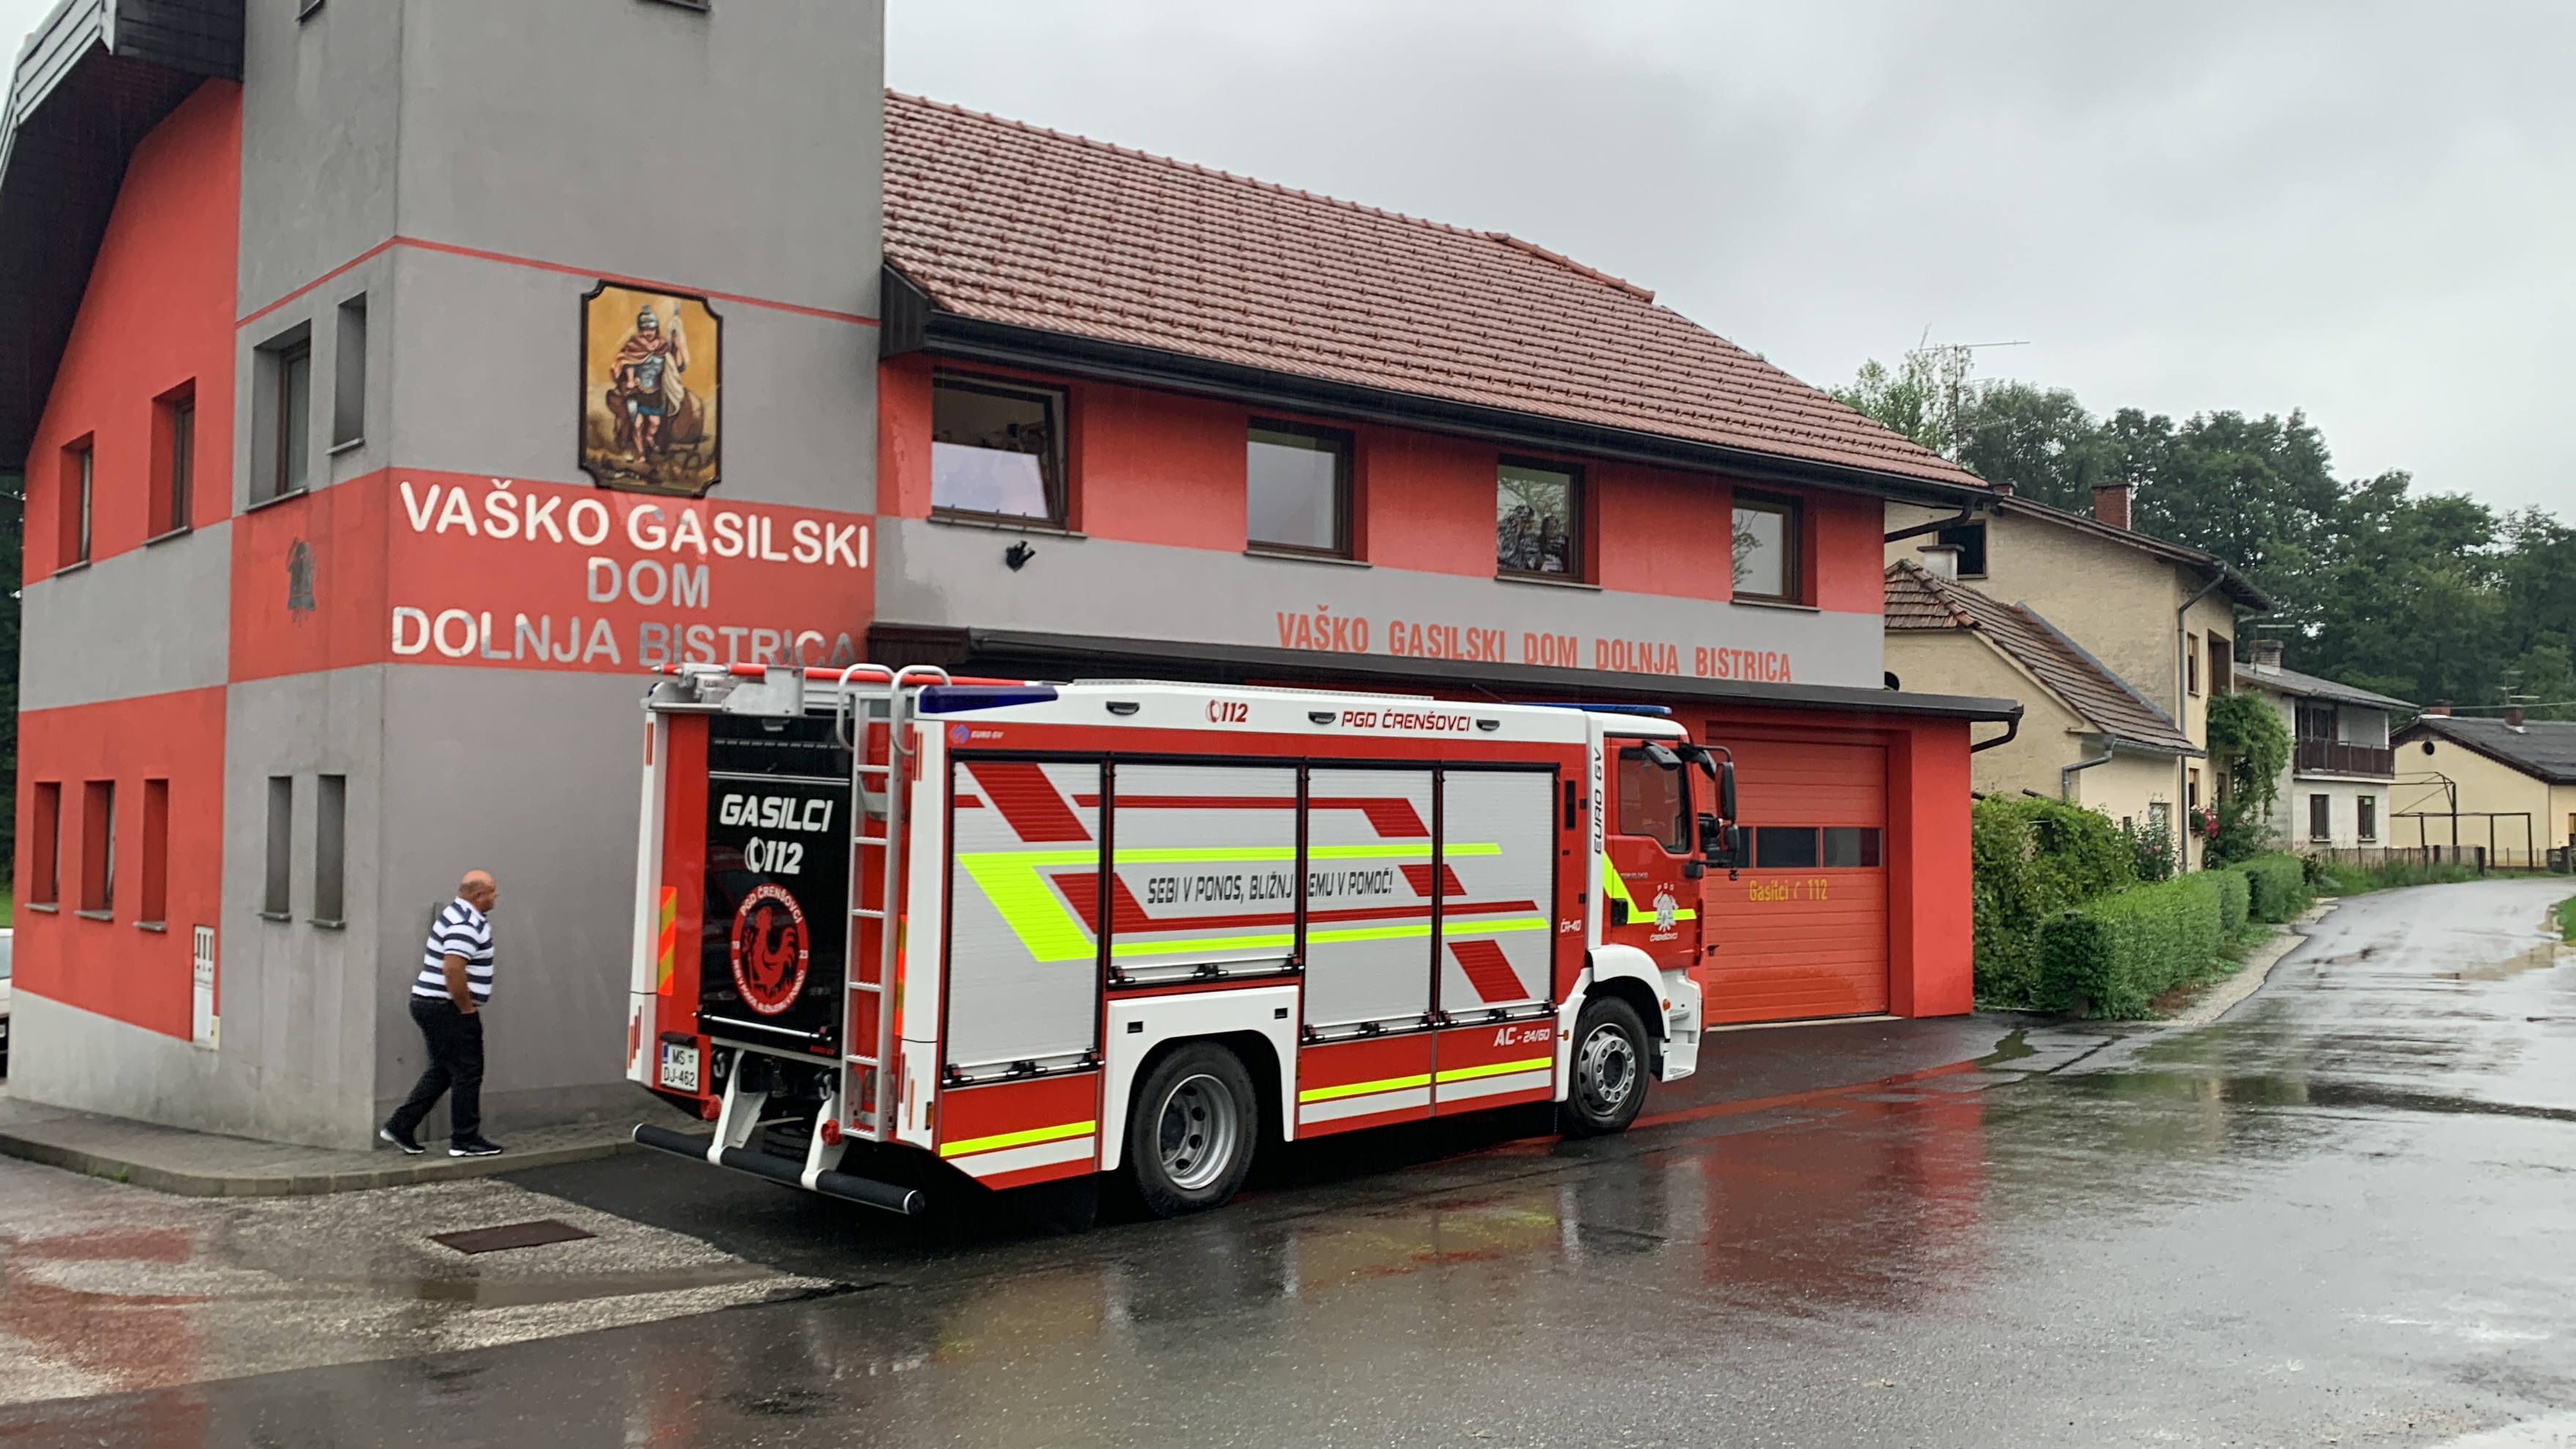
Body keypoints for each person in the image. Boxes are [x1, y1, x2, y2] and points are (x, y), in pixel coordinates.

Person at [381, 870, 505, 1158]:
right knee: (468, 1072)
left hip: (431, 1004)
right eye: (492, 892)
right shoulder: (465, 923)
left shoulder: (455, 915)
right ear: (478, 895)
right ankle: (465, 1139)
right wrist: (466, 1008)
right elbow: (453, 968)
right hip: (446, 1007)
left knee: (444, 1069)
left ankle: (401, 1125)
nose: (496, 897)